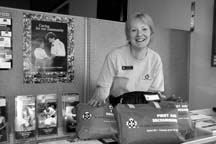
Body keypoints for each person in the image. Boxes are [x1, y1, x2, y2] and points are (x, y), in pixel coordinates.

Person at [88, 12, 164, 107]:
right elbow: (103, 89)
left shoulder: (155, 59)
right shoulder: (115, 56)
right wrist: (98, 98)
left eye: (144, 29)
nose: (139, 34)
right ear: (128, 35)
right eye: (133, 30)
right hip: (118, 109)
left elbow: (154, 94)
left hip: (144, 110)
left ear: (151, 33)